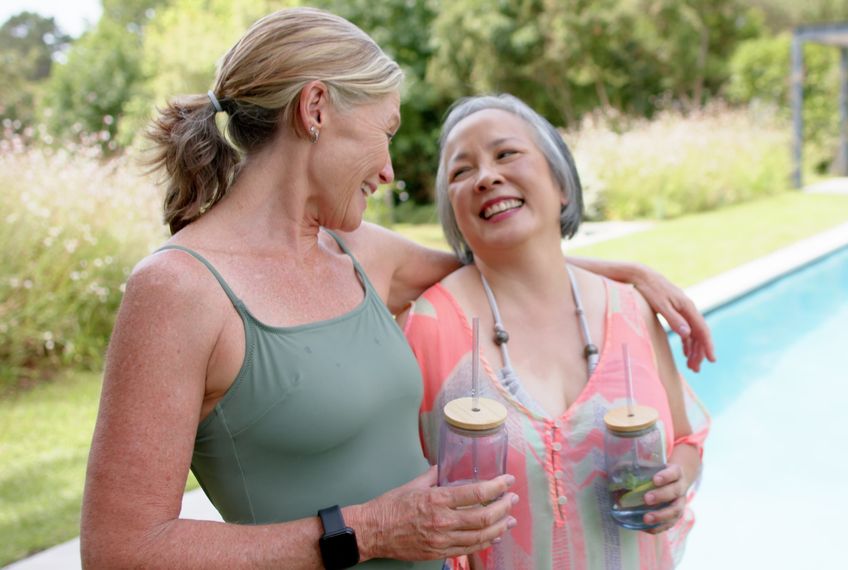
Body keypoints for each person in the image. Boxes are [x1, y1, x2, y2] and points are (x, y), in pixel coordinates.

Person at [80, 8, 713, 569]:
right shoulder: (177, 290)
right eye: (385, 132)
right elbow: (120, 550)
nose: (388, 169)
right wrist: (369, 532)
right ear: (316, 109)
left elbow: (507, 266)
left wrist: (625, 274)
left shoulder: (358, 252)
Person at [402, 94, 710, 570]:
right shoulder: (427, 326)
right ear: (453, 211)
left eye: (506, 154)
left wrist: (677, 480)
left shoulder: (631, 308)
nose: (486, 176)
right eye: (461, 172)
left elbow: (687, 439)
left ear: (560, 184)